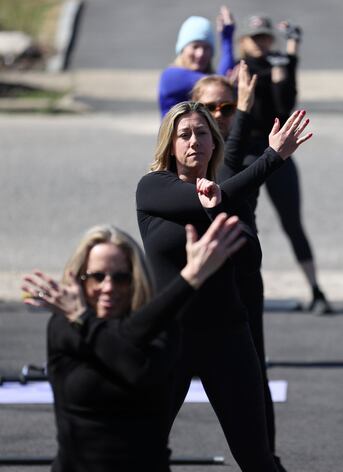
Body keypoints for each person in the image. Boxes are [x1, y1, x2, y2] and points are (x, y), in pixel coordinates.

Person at [136, 101, 312, 471]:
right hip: (169, 338)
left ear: (215, 143)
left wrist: (220, 206)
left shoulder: (231, 197)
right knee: (140, 448)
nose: (193, 142)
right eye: (184, 135)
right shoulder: (153, 188)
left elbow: (249, 261)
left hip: (227, 337)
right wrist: (270, 158)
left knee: (256, 455)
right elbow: (204, 198)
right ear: (170, 144)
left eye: (202, 133)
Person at [21, 220, 246, 472]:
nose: (108, 287)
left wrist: (84, 320)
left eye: (121, 278)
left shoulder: (160, 329)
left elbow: (135, 367)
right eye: (97, 277)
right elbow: (121, 341)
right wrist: (189, 279)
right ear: (80, 280)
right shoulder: (64, 327)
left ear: (135, 279)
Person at [191, 63, 286, 471]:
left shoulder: (245, 152)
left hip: (241, 281)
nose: (219, 115)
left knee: (252, 373)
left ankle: (267, 458)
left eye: (227, 108)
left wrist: (246, 111)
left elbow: (227, 176)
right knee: (171, 377)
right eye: (209, 108)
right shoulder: (182, 152)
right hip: (191, 284)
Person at [234, 14, 333, 314]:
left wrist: (286, 64)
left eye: (265, 37)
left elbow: (285, 108)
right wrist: (283, 64)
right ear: (245, 42)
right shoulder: (241, 69)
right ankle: (237, 287)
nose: (262, 43)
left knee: (292, 221)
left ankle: (316, 290)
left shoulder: (280, 65)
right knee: (239, 219)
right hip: (246, 153)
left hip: (278, 151)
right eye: (256, 38)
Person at [158, 6, 235, 117]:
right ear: (182, 49)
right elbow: (222, 83)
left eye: (206, 48)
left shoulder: (209, 76)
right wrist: (227, 39)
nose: (200, 53)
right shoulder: (171, 75)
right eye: (195, 47)